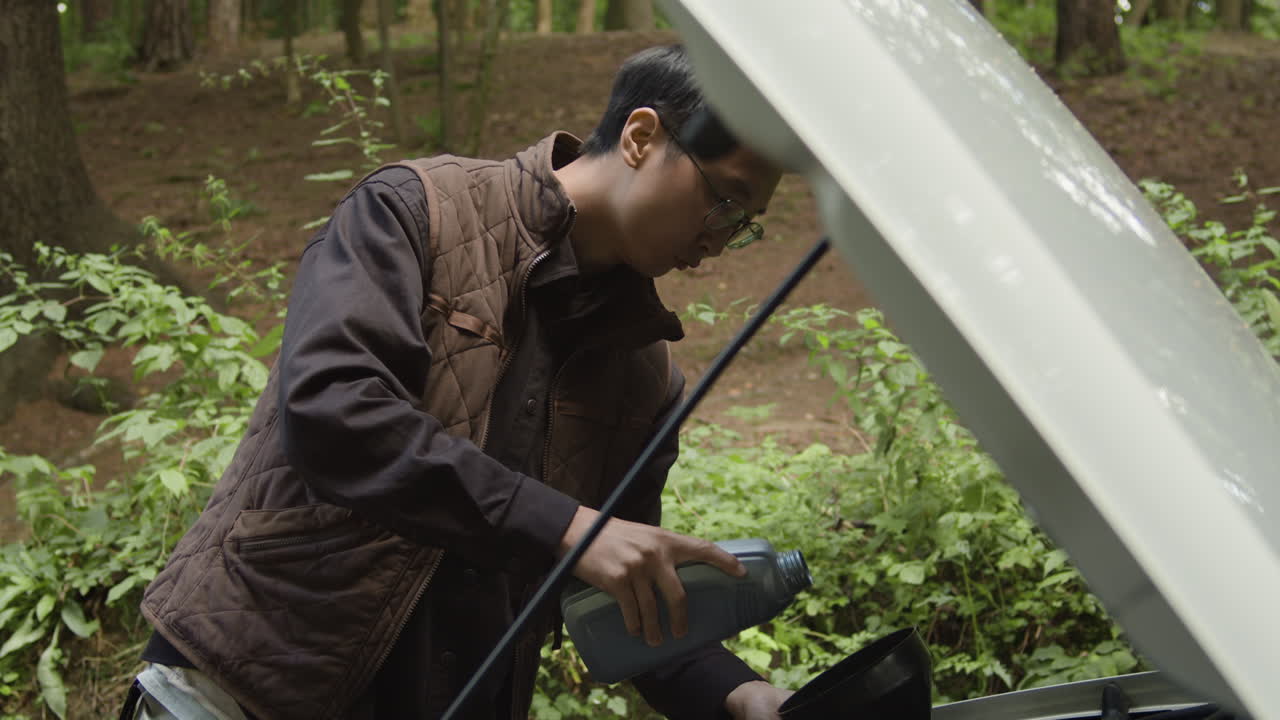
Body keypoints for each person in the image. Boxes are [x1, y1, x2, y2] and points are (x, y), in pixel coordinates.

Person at [122, 44, 792, 720]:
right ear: (642, 136)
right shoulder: (414, 211)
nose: (720, 237)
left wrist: (736, 692)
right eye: (725, 201)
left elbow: (627, 580)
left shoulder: (646, 378)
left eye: (743, 227)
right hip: (244, 685)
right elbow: (332, 411)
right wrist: (563, 525)